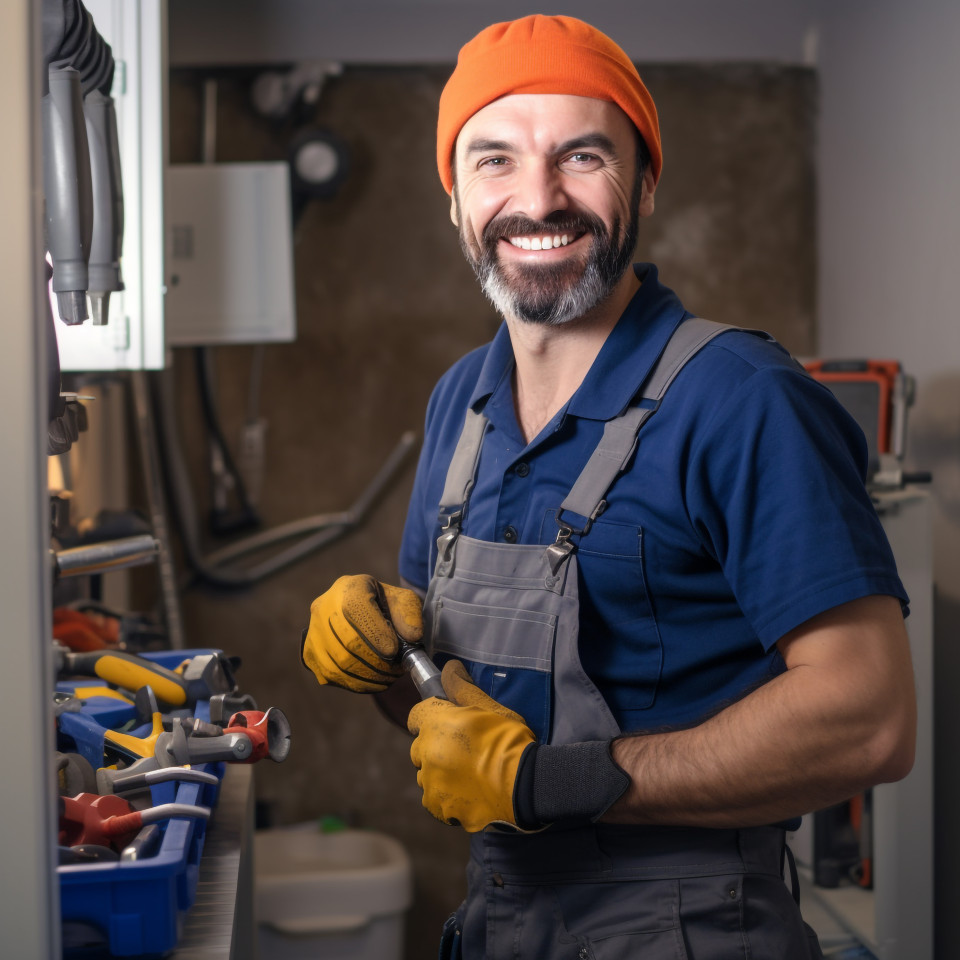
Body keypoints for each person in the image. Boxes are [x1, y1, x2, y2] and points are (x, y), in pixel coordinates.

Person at [301, 14, 917, 959]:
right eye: (494, 160)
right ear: (456, 202)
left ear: (646, 179)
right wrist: (389, 662)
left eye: (581, 154)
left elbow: (870, 720)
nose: (537, 199)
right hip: (503, 914)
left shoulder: (742, 401)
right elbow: (464, 727)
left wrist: (552, 783)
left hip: (695, 926)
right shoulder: (459, 402)